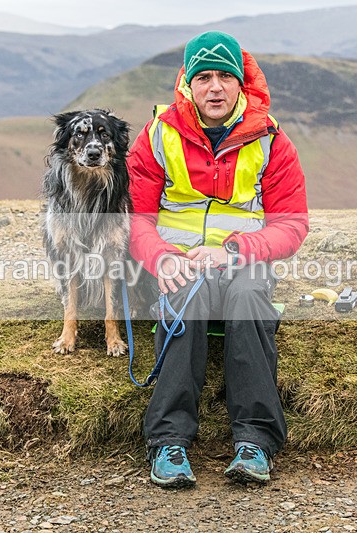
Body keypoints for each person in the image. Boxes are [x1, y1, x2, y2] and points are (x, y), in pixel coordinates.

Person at [127, 30, 308, 488]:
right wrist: (162, 259)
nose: (214, 87)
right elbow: (133, 219)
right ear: (187, 84)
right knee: (190, 297)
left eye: (225, 76)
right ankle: (169, 443)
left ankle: (256, 443)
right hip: (179, 264)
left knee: (248, 298)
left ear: (240, 83)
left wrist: (234, 250)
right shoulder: (157, 136)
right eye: (203, 76)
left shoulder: (271, 140)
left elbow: (291, 225)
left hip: (242, 262)